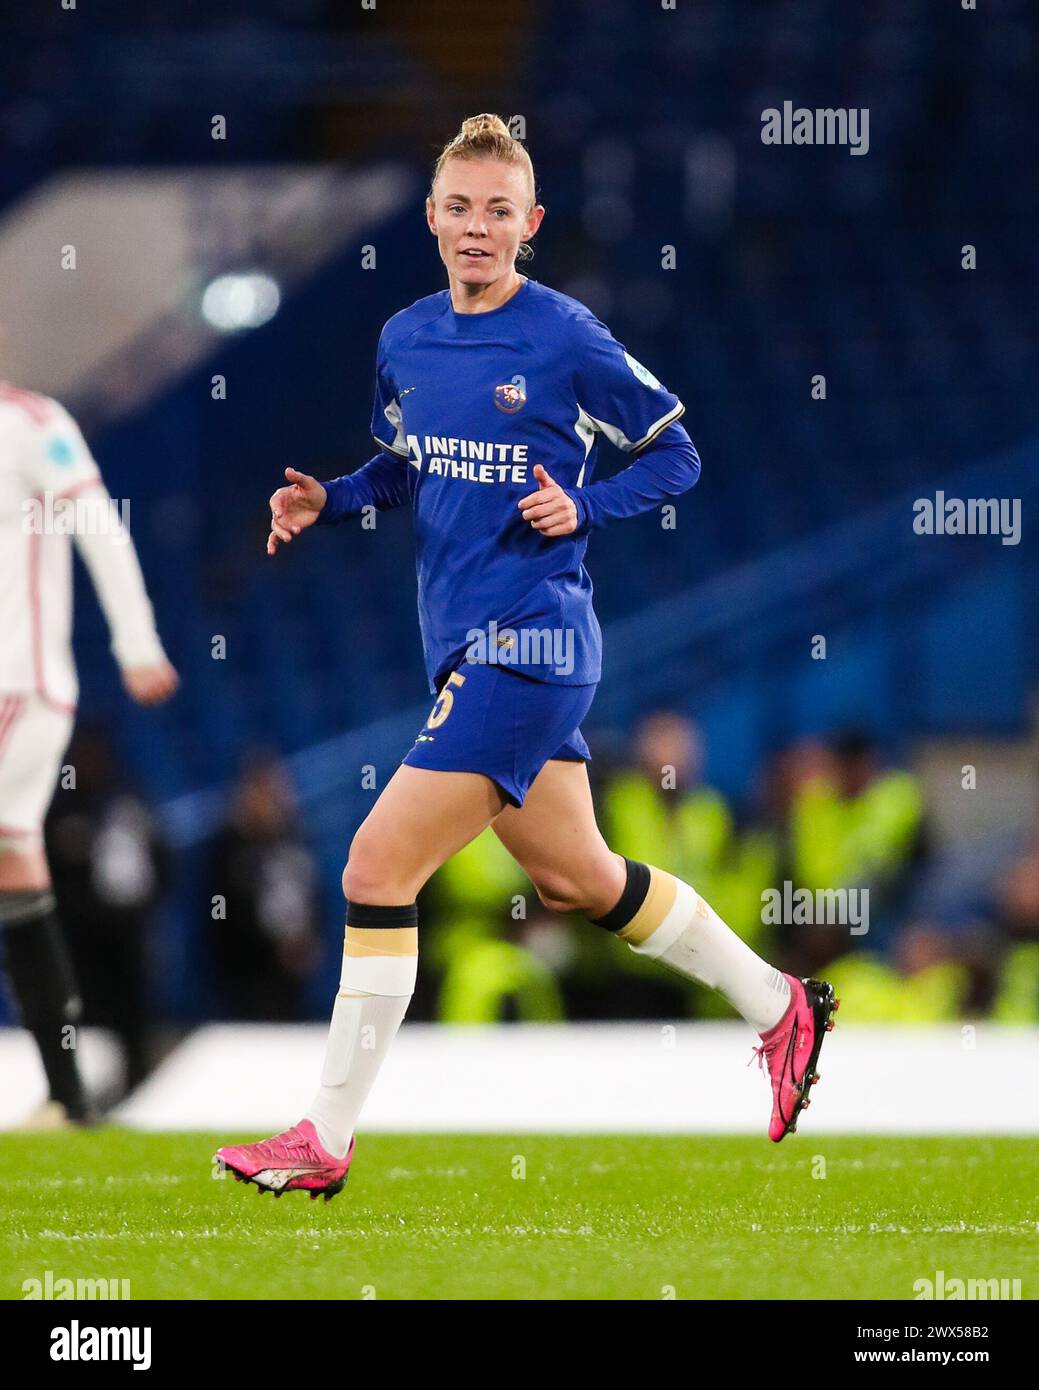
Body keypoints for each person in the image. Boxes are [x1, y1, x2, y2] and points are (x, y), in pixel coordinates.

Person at [216, 115, 837, 1201]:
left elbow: (678, 450)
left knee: (373, 868)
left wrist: (583, 504)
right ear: (431, 217)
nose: (476, 227)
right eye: (459, 207)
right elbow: (407, 465)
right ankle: (781, 1007)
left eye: (498, 210)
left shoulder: (566, 336)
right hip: (463, 644)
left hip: (534, 647)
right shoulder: (406, 337)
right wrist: (334, 496)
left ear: (530, 224)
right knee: (577, 877)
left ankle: (324, 1135)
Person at [0, 381, 178, 1126]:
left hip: (17, 685)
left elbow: (98, 524)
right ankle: (69, 1097)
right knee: (16, 872)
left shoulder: (30, 421)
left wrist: (136, 640)